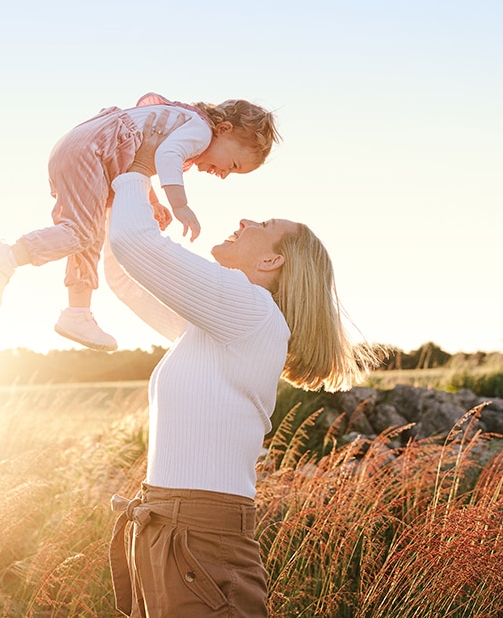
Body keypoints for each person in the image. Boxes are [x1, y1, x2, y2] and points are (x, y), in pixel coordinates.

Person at [105, 111, 374, 617]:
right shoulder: (218, 325)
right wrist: (124, 195)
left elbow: (133, 244)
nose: (247, 220)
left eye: (264, 226)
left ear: (272, 262)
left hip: (198, 539)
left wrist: (138, 167)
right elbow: (123, 274)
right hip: (168, 525)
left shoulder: (249, 311)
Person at [0, 92, 280, 351]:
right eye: (234, 165)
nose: (224, 174)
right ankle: (7, 256)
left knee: (90, 233)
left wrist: (152, 201)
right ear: (224, 129)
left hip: (84, 149)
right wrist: (180, 205)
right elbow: (167, 156)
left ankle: (77, 312)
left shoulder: (184, 122)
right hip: (90, 152)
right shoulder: (200, 131)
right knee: (81, 233)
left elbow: (140, 156)